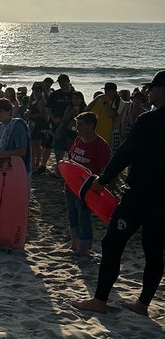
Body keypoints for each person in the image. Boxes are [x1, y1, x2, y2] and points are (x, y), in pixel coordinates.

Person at [72, 70, 165, 317]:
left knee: (112, 243)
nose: (148, 91)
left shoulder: (148, 121)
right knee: (154, 250)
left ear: (163, 91)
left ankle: (100, 300)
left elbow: (126, 153)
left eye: (152, 88)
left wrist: (102, 180)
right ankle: (142, 305)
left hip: (139, 196)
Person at [63, 111, 110, 255]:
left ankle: (85, 249)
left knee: (84, 217)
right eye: (77, 124)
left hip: (86, 189)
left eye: (81, 125)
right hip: (70, 185)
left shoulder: (101, 146)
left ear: (91, 125)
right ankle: (74, 244)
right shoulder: (78, 139)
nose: (77, 128)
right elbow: (71, 158)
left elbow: (105, 171)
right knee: (72, 215)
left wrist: (100, 189)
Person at [34, 74, 75, 175]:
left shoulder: (74, 94)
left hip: (69, 123)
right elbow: (48, 108)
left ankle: (67, 167)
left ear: (68, 81)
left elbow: (79, 106)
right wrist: (53, 118)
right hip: (54, 122)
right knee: (48, 144)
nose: (62, 84)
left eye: (63, 82)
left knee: (69, 145)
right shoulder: (56, 94)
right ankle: (43, 165)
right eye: (60, 83)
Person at [0, 98, 32, 185]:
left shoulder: (17, 126)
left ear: (9, 111)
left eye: (0, 112)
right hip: (2, 166)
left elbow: (22, 151)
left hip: (17, 166)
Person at [85, 82, 127, 155]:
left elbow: (110, 114)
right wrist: (96, 98)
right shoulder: (100, 99)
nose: (106, 93)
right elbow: (87, 109)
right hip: (98, 129)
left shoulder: (119, 102)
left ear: (114, 91)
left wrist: (105, 103)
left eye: (108, 91)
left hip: (113, 132)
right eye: (105, 90)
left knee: (110, 154)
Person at [24, 82, 47, 173]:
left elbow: (42, 114)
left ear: (41, 91)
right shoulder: (33, 99)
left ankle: (37, 162)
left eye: (37, 91)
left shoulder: (41, 101)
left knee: (37, 144)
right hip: (32, 123)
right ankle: (33, 161)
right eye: (34, 90)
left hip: (38, 124)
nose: (35, 92)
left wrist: (31, 116)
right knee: (32, 144)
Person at [60, 91, 87, 156]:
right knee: (70, 149)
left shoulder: (84, 108)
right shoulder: (69, 107)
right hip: (70, 131)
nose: (75, 100)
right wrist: (71, 113)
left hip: (80, 132)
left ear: (81, 99)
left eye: (77, 98)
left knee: (80, 150)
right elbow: (63, 120)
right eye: (73, 98)